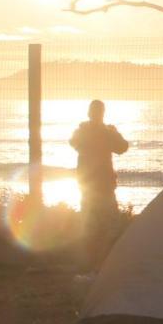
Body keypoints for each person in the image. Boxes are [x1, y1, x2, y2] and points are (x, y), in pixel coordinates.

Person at [71, 100, 129, 269]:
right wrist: (113, 132)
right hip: (102, 186)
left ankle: (90, 265)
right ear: (102, 113)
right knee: (109, 227)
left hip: (88, 186)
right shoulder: (106, 133)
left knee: (90, 229)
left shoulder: (82, 131)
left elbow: (74, 143)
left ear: (89, 113)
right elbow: (122, 147)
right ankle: (105, 265)